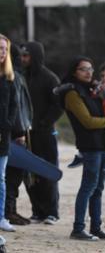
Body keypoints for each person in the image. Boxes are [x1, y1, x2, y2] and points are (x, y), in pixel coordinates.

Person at [62, 56, 105, 241]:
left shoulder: (93, 90)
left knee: (98, 188)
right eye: (83, 69)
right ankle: (78, 228)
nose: (89, 72)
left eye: (90, 69)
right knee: (88, 186)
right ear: (74, 72)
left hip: (103, 144)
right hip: (90, 146)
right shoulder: (72, 93)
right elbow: (87, 121)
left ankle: (96, 227)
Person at [20, 41, 62, 225]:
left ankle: (52, 211)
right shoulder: (21, 76)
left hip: (45, 133)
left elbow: (59, 104)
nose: (23, 59)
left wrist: (45, 122)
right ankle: (37, 210)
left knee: (47, 171)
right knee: (29, 173)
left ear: (35, 56)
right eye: (21, 55)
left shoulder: (49, 78)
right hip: (26, 133)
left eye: (26, 55)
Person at [67, 60, 105, 170]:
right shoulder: (99, 86)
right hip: (101, 117)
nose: (104, 78)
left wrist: (103, 89)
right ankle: (81, 155)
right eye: (102, 76)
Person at [5, 43, 34, 226]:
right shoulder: (13, 77)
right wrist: (19, 131)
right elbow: (17, 107)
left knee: (12, 174)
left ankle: (10, 210)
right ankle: (9, 211)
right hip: (14, 132)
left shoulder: (14, 76)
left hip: (14, 130)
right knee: (13, 174)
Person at [0, 34, 19, 232]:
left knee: (0, 177)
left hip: (3, 136)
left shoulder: (10, 78)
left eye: (5, 49)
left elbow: (15, 105)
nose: (2, 52)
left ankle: (1, 216)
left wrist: (8, 124)